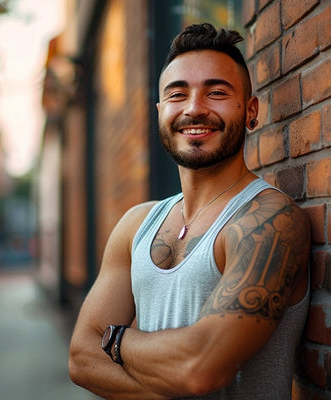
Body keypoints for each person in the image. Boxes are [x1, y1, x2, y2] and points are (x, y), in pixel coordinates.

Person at [69, 23, 311, 399]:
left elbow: (199, 369)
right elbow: (82, 359)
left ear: (250, 112)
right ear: (161, 111)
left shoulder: (269, 221)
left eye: (216, 93)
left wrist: (115, 339)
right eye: (177, 94)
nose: (195, 109)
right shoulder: (137, 225)